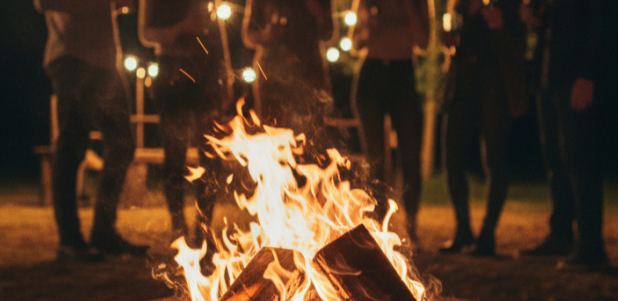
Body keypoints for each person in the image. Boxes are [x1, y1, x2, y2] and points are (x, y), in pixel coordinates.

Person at [35, 0, 149, 261]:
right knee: (72, 146)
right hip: (72, 56)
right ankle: (69, 240)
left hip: (104, 61)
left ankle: (103, 232)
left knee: (122, 144)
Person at [521, 0, 609, 270]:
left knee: (577, 157)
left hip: (573, 76)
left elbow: (601, 23)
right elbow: (553, 24)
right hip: (549, 76)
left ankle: (591, 245)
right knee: (554, 158)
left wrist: (588, 75)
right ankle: (561, 234)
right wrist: (537, 16)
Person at [439, 0, 528, 256]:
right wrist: (450, 43)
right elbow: (455, 41)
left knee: (494, 158)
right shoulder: (461, 6)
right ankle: (463, 230)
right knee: (451, 156)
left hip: (494, 83)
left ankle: (487, 235)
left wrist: (499, 28)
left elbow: (518, 49)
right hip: (462, 80)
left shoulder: (509, 6)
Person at [139, 0, 230, 249]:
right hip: (171, 71)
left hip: (206, 71)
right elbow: (146, 34)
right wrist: (180, 28)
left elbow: (218, 32)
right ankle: (178, 224)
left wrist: (225, 75)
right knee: (174, 153)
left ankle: (203, 224)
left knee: (211, 152)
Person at [349, 0, 430, 242]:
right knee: (375, 158)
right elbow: (355, 44)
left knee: (411, 155)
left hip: (402, 74)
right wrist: (369, 30)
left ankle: (411, 222)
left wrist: (409, 8)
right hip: (371, 74)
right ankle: (377, 221)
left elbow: (423, 43)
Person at [242, 0, 337, 150]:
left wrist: (319, 14)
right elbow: (248, 35)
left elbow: (329, 34)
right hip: (271, 71)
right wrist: (267, 34)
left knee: (312, 137)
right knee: (272, 135)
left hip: (309, 71)